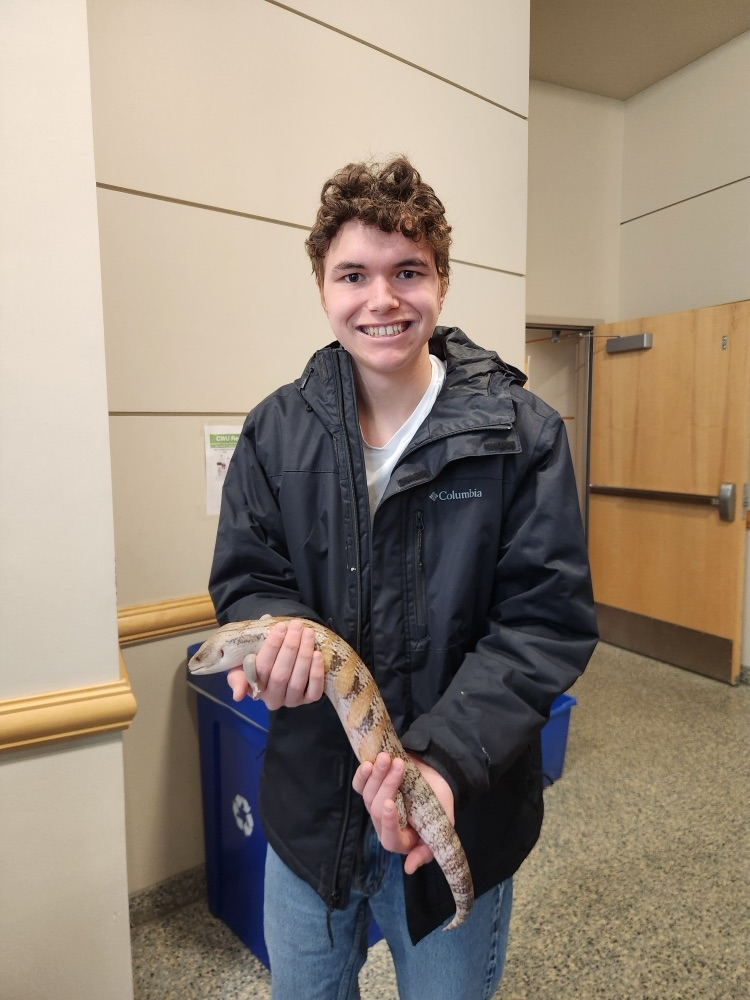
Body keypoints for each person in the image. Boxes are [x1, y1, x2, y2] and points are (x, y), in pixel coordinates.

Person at [208, 156, 598, 999]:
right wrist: (277, 635)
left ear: (441, 283)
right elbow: (248, 574)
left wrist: (443, 768)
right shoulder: (275, 432)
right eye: (353, 274)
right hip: (311, 814)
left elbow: (544, 622)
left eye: (407, 272)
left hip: (460, 804)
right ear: (323, 286)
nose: (381, 299)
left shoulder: (521, 434)